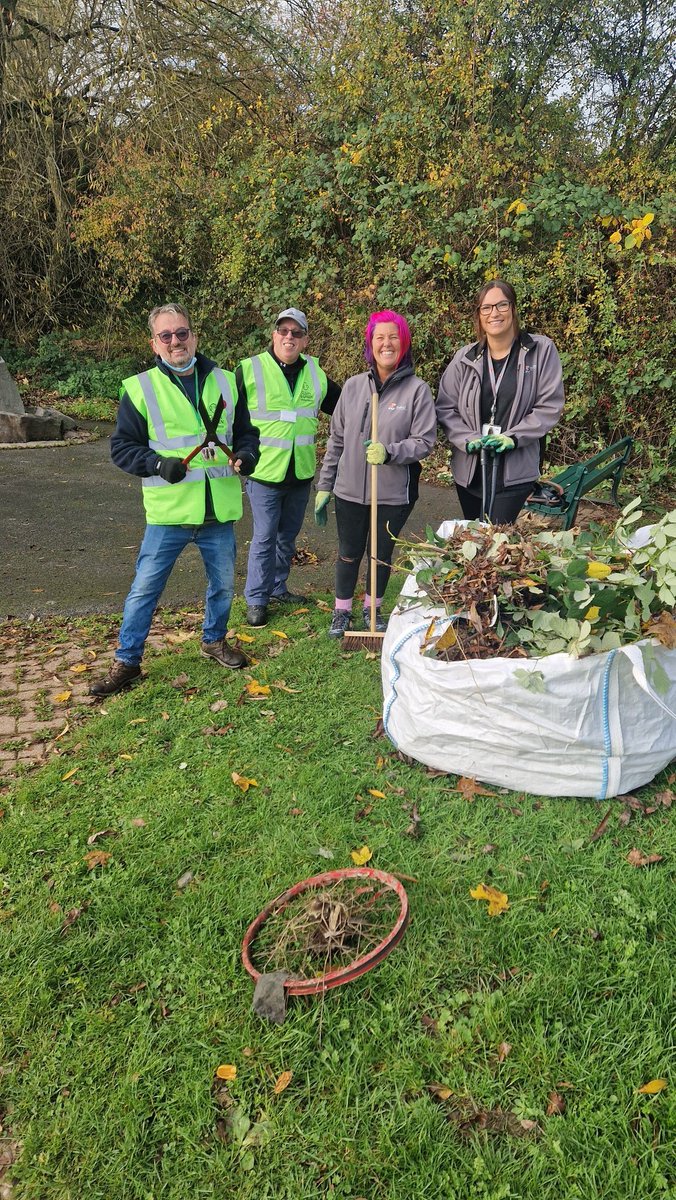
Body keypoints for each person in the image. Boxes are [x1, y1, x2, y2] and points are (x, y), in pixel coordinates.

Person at [89, 303, 260, 697]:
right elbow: (122, 449)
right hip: (169, 514)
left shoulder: (226, 381)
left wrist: (248, 455)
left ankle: (214, 640)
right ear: (154, 343)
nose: (175, 341)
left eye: (181, 333)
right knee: (144, 590)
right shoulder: (140, 388)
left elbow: (247, 435)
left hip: (218, 510)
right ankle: (127, 661)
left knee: (221, 585)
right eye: (166, 336)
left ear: (194, 337)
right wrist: (156, 464)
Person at [315, 309, 436, 638]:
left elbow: (425, 441)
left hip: (394, 493)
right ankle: (341, 612)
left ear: (404, 342)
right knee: (348, 551)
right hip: (350, 490)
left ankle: (372, 607)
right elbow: (336, 439)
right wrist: (325, 486)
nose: (387, 343)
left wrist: (390, 452)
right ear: (371, 344)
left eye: (393, 337)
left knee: (380, 554)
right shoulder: (353, 388)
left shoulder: (417, 391)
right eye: (380, 337)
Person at [236, 308, 341, 627]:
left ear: (305, 340)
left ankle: (278, 587)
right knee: (265, 536)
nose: (289, 337)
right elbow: (227, 415)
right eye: (283, 331)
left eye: (297, 333)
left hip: (300, 473)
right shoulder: (250, 369)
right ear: (274, 334)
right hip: (265, 473)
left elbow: (346, 406)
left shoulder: (315, 372)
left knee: (287, 536)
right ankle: (256, 597)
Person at [436, 279, 565, 524]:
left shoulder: (541, 350)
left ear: (513, 309)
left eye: (502, 305)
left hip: (514, 473)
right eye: (486, 307)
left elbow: (549, 406)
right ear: (479, 315)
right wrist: (467, 439)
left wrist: (514, 437)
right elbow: (445, 407)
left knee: (497, 540)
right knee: (473, 542)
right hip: (471, 472)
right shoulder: (465, 357)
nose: (494, 313)